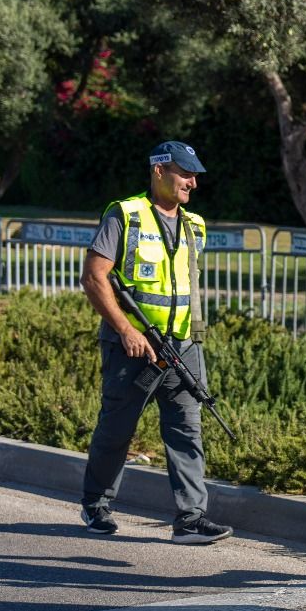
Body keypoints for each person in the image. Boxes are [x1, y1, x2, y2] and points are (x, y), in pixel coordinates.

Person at [78, 141, 233, 545]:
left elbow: (191, 289)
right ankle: (96, 505)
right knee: (117, 429)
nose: (192, 183)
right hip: (133, 347)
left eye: (195, 175)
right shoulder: (125, 215)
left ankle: (191, 519)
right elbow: (95, 278)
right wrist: (126, 330)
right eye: (185, 173)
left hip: (181, 347)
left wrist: (195, 340)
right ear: (160, 171)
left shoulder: (195, 225)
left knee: (186, 430)